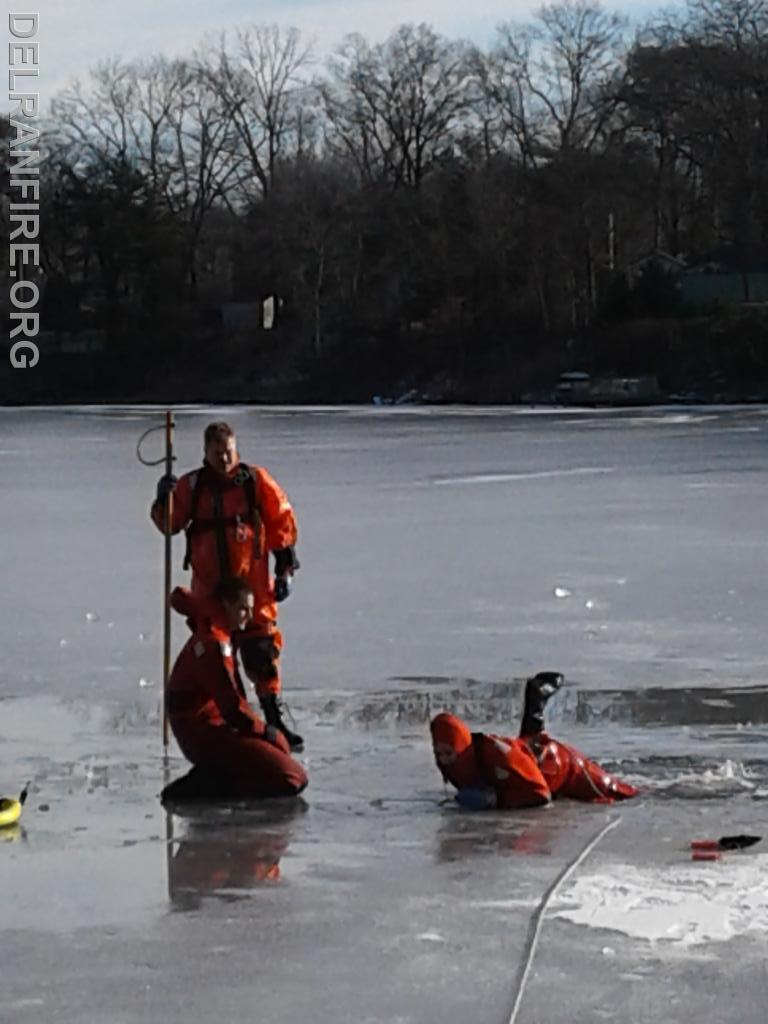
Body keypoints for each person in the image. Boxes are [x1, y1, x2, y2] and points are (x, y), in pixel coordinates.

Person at [151, 420, 303, 750]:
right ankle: (233, 721)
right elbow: (169, 524)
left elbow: (281, 521)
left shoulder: (255, 481)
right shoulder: (192, 486)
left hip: (251, 586)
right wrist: (164, 498)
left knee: (262, 653)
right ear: (206, 453)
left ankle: (273, 718)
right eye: (217, 453)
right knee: (221, 663)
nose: (224, 459)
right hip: (211, 590)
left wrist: (286, 566)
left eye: (229, 452)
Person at [165, 576, 307, 800]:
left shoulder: (218, 634)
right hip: (203, 734)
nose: (249, 617)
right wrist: (266, 732)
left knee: (279, 754)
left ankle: (221, 773)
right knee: (292, 778)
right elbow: (231, 707)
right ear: (227, 605)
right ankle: (205, 786)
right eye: (243, 609)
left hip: (206, 729)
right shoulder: (214, 643)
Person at [430, 672, 638, 809]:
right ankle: (536, 697)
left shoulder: (498, 754)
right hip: (527, 753)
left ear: (462, 748)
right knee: (528, 740)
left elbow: (540, 793)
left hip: (562, 767)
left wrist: (495, 801)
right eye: (439, 754)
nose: (445, 760)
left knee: (620, 792)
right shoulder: (456, 763)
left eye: (449, 753)